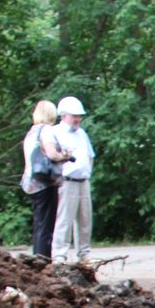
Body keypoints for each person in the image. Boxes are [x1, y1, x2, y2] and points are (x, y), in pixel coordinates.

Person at [20, 99, 69, 261]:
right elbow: (51, 154)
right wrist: (65, 156)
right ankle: (43, 260)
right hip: (45, 182)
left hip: (32, 182)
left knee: (39, 223)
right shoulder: (46, 130)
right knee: (47, 225)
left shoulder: (31, 132)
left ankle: (37, 258)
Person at [51, 96, 95, 263]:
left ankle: (84, 253)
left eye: (79, 116)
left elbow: (90, 156)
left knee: (85, 219)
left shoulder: (82, 133)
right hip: (66, 181)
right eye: (74, 115)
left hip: (83, 181)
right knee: (64, 219)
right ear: (63, 115)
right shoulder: (55, 132)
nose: (77, 119)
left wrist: (88, 172)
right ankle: (60, 254)